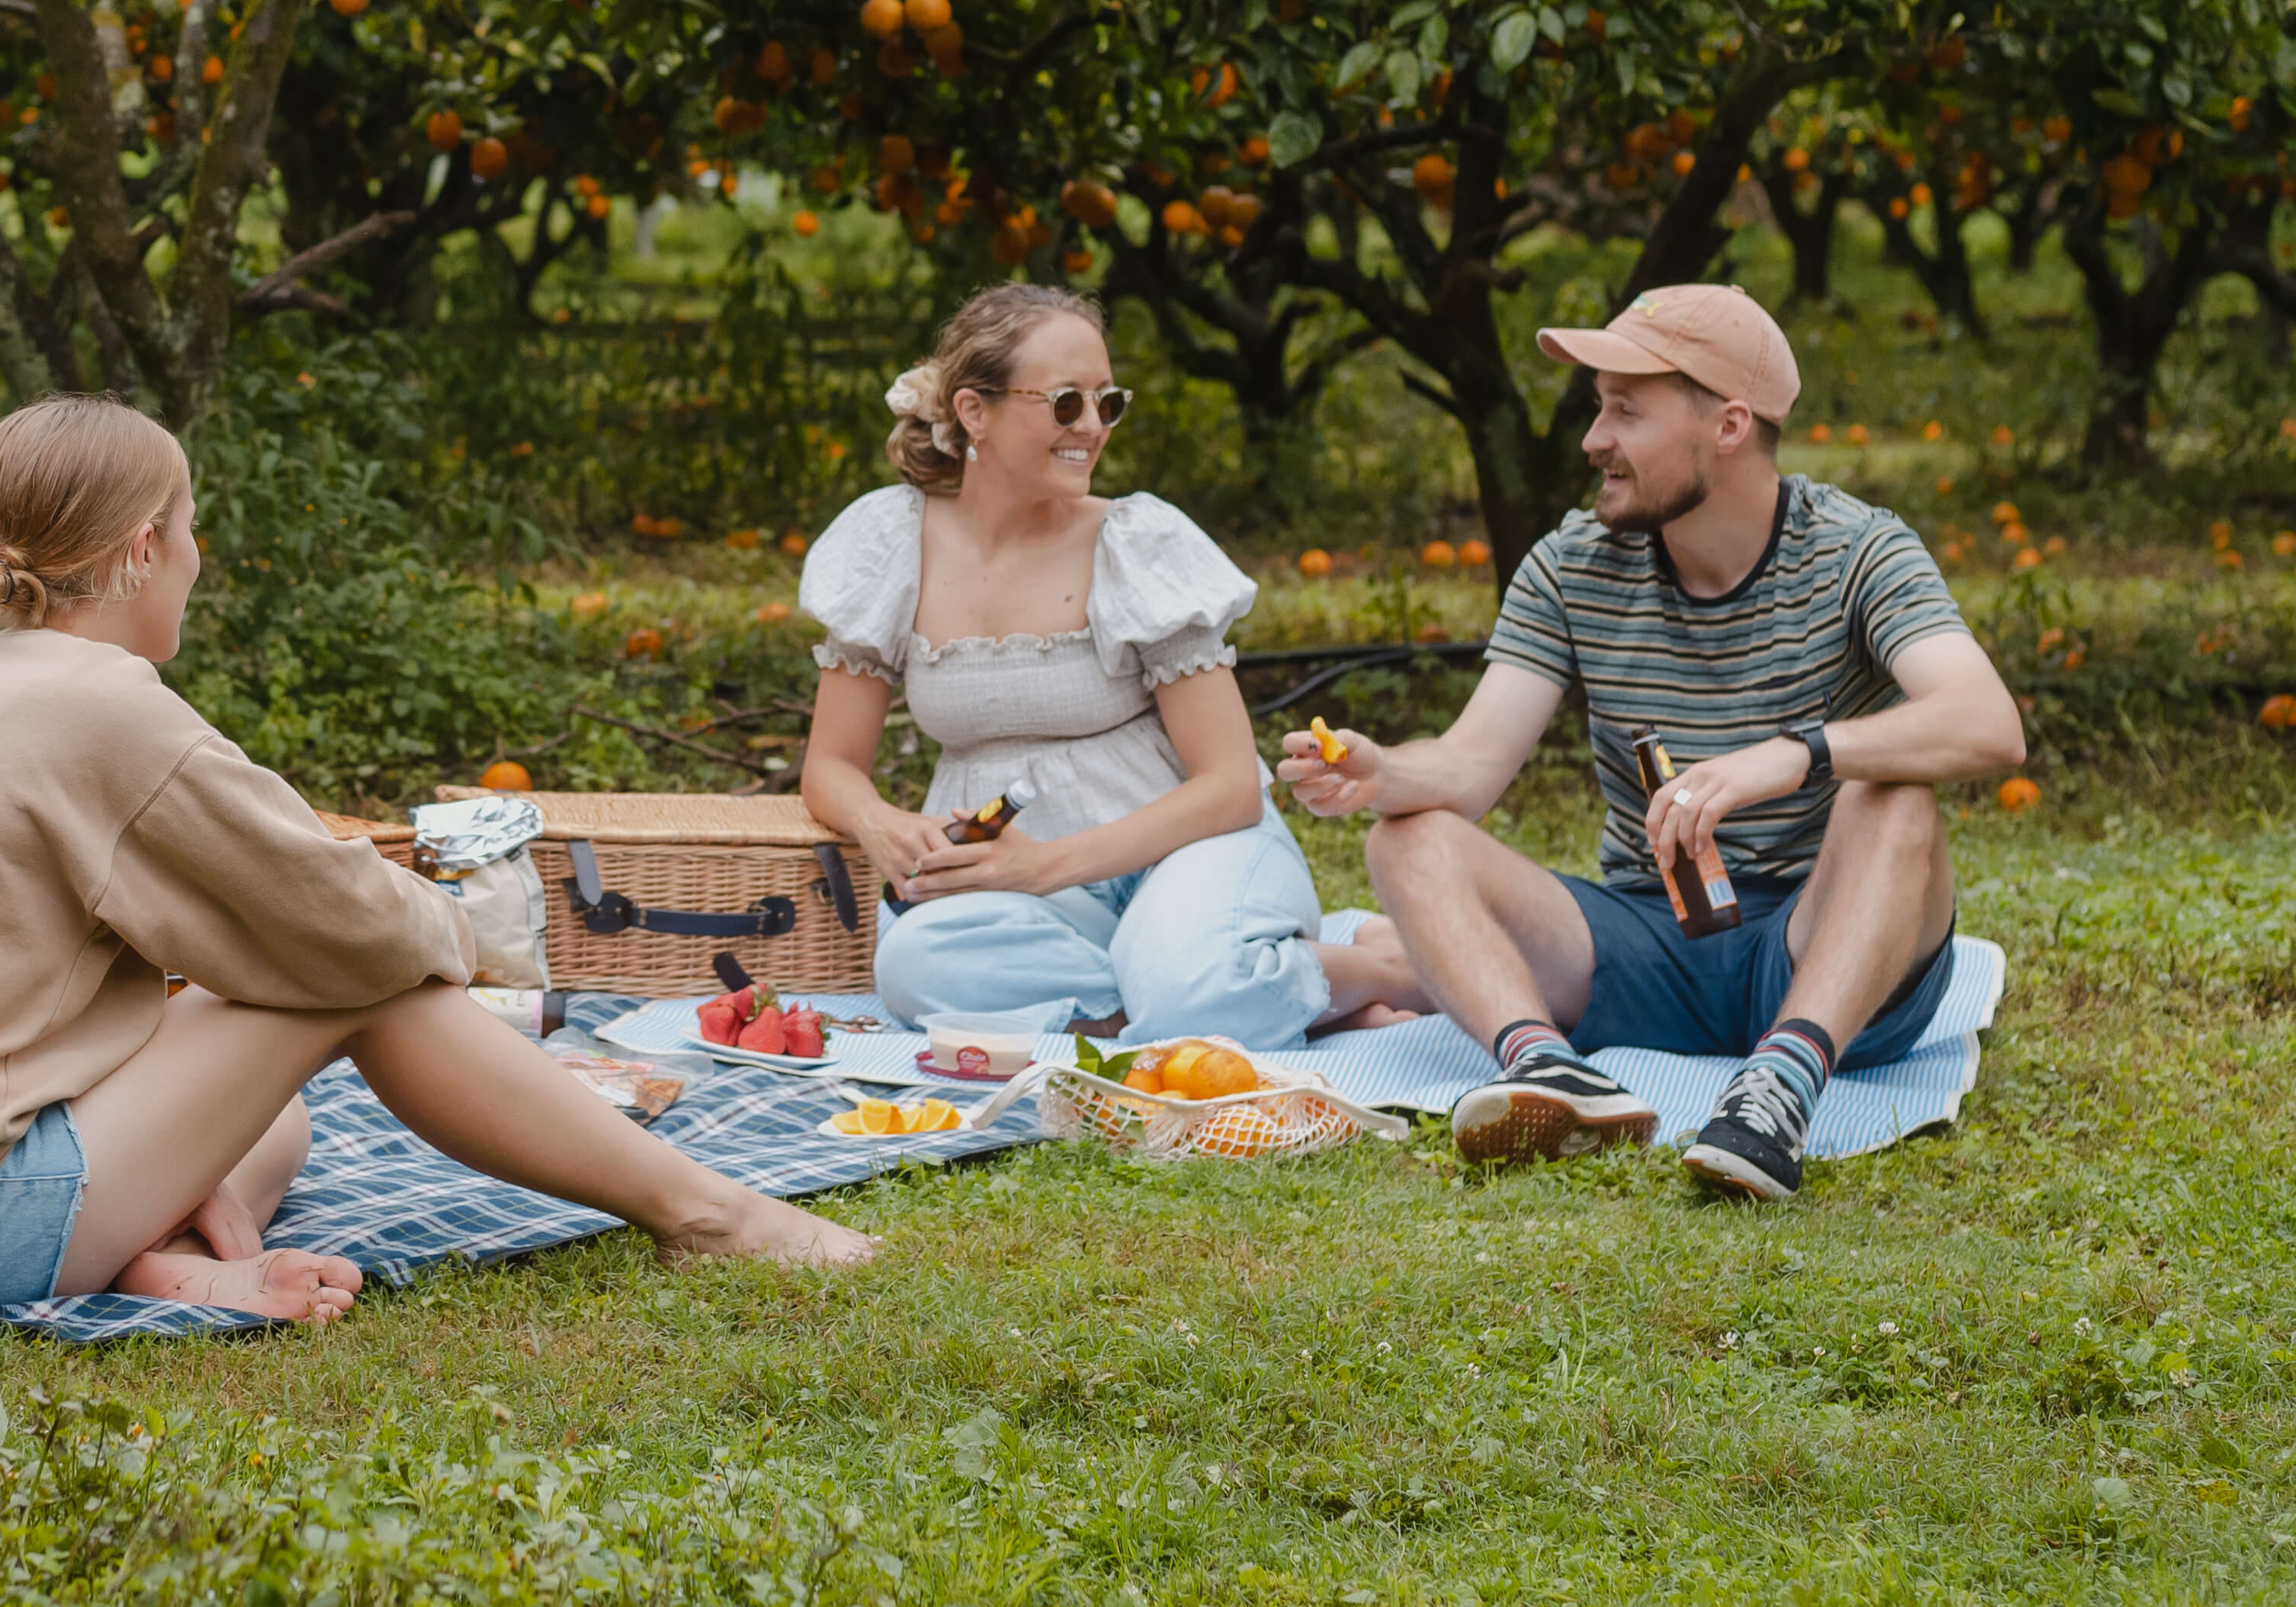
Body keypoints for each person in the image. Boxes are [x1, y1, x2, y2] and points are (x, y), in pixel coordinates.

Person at [0, 394, 877, 1323]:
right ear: (143, 548)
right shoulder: (102, 708)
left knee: (280, 1117)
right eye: (189, 528)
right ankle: (708, 1212)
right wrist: (461, 937)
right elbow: (343, 923)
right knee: (360, 983)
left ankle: (163, 1248)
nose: (195, 555)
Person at [1281, 284, 2026, 1200]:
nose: (1594, 438)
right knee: (1404, 834)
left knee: (1893, 789)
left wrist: (1793, 753)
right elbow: (1471, 767)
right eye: (1599, 406)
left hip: (1820, 939)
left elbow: (1988, 721)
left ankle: (1778, 1089)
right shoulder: (1573, 561)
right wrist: (1382, 769)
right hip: (1642, 938)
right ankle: (1553, 1075)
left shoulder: (1858, 549)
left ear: (1728, 425)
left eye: (1625, 410)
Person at [797, 284, 1419, 1050]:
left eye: (1105, 402)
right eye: (1064, 403)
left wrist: (1045, 864)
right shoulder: (889, 541)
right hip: (1022, 888)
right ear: (973, 411)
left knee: (1180, 986)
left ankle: (1385, 969)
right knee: (916, 963)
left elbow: (1228, 788)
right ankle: (1223, 986)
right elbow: (830, 764)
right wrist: (882, 823)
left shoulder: (1137, 540)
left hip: (1187, 852)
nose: (1091, 427)